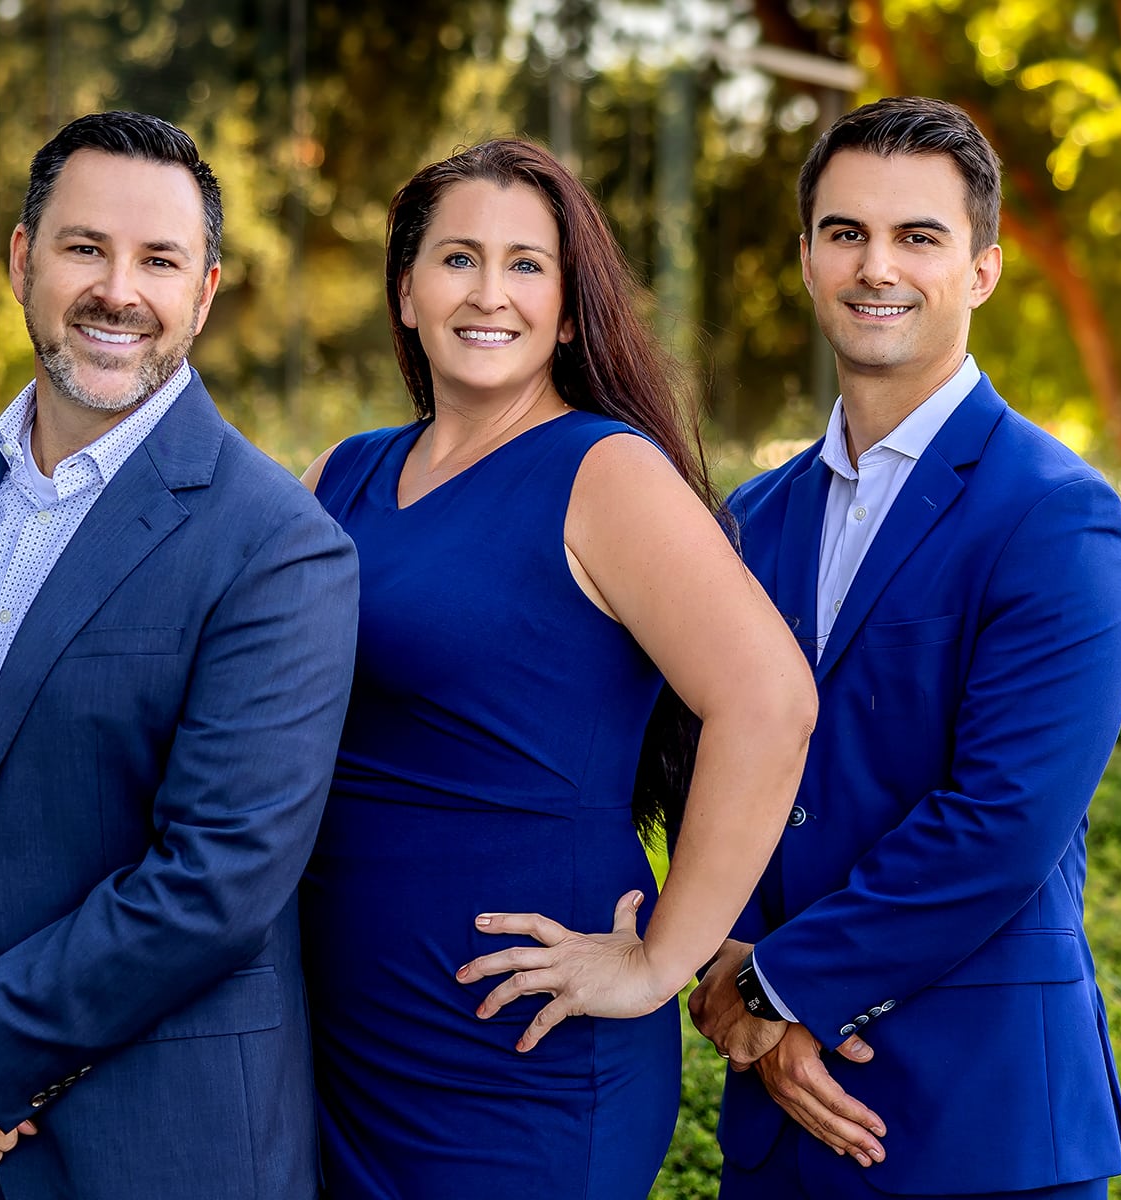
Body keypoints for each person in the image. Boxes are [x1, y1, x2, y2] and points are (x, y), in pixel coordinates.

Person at [0, 111, 358, 1200]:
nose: (117, 291)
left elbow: (216, 880)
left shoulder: (278, 544)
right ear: (22, 261)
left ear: (206, 292)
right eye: (85, 247)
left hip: (161, 1151)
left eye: (160, 261)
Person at [297, 138, 816, 1199]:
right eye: (458, 259)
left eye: (527, 265)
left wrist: (660, 960)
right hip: (338, 1034)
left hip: (517, 1056)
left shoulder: (604, 471)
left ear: (571, 311)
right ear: (405, 292)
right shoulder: (338, 477)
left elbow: (769, 703)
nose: (489, 293)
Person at [689, 96, 1121, 1199]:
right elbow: (703, 760)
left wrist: (775, 990)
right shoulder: (751, 519)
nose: (876, 266)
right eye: (846, 232)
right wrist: (723, 956)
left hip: (980, 1126)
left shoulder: (1057, 515)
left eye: (918, 236)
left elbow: (1004, 820)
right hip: (776, 1135)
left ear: (982, 271)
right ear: (807, 258)